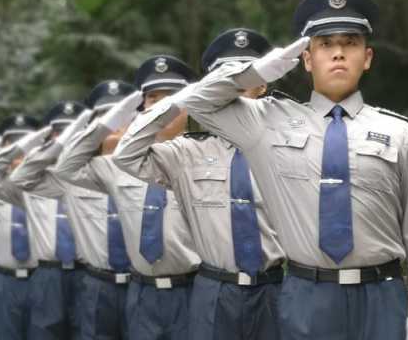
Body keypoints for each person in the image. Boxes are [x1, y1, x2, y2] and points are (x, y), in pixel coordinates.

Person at [177, 0, 408, 340]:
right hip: (307, 296)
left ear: (367, 57)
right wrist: (256, 72)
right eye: (324, 44)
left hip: (382, 297)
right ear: (306, 59)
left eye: (350, 43)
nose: (338, 53)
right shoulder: (266, 123)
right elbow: (195, 102)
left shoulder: (399, 132)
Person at [113, 28, 287, 340]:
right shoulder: (187, 152)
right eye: (224, 78)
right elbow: (126, 154)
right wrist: (179, 101)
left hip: (276, 290)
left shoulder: (290, 145)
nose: (234, 87)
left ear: (261, 84)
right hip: (213, 292)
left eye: (244, 77)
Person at [52, 59, 201, 340]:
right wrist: (106, 124)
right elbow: (65, 167)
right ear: (141, 108)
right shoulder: (118, 165)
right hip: (141, 294)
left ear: (187, 104)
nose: (160, 107)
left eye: (170, 99)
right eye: (152, 98)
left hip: (192, 291)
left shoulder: (204, 158)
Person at [9, 84, 132, 340]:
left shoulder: (156, 165)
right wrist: (65, 138)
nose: (115, 125)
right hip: (97, 281)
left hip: (141, 284)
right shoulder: (74, 175)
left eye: (120, 116)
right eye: (106, 118)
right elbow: (22, 178)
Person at [0, 108, 79, 340]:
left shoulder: (91, 178)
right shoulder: (25, 184)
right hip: (30, 277)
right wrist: (22, 147)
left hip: (80, 275)